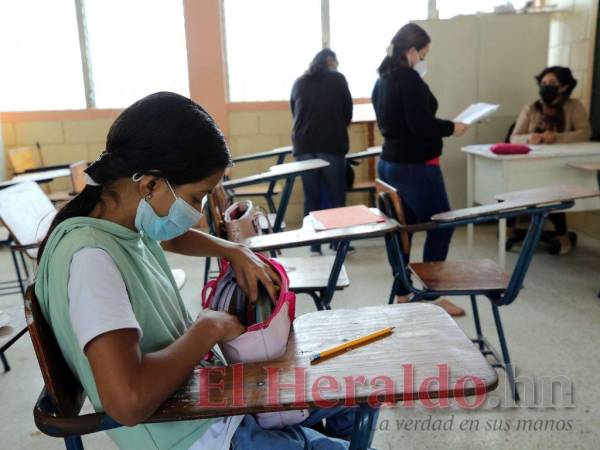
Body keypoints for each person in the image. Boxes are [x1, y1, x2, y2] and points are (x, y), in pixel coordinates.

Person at [34, 92, 373, 450]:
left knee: (348, 400)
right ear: (149, 184)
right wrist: (207, 328)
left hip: (202, 407)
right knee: (348, 417)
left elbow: (169, 237)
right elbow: (128, 401)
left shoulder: (120, 220)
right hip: (193, 436)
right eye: (197, 197)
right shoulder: (91, 260)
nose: (197, 212)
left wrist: (230, 248)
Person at [372, 23, 468, 317]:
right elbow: (421, 124)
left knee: (401, 230)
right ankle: (432, 296)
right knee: (442, 225)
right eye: (424, 53)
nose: (425, 59)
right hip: (415, 168)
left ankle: (403, 292)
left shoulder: (382, 80)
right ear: (411, 51)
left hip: (389, 164)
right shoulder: (409, 80)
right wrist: (453, 127)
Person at [510, 66, 591, 254]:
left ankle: (562, 238)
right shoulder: (531, 108)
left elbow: (584, 132)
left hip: (558, 164)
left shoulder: (574, 106)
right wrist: (530, 138)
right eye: (543, 83)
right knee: (518, 188)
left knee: (554, 193)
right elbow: (514, 137)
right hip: (529, 164)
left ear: (563, 87)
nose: (546, 87)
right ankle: (509, 232)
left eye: (552, 84)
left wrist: (557, 138)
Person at [291, 48, 353, 256]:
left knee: (312, 196)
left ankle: (314, 244)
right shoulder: (338, 79)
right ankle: (339, 243)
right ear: (330, 61)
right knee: (337, 195)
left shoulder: (299, 81)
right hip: (331, 143)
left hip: (303, 145)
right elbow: (348, 111)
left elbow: (295, 112)